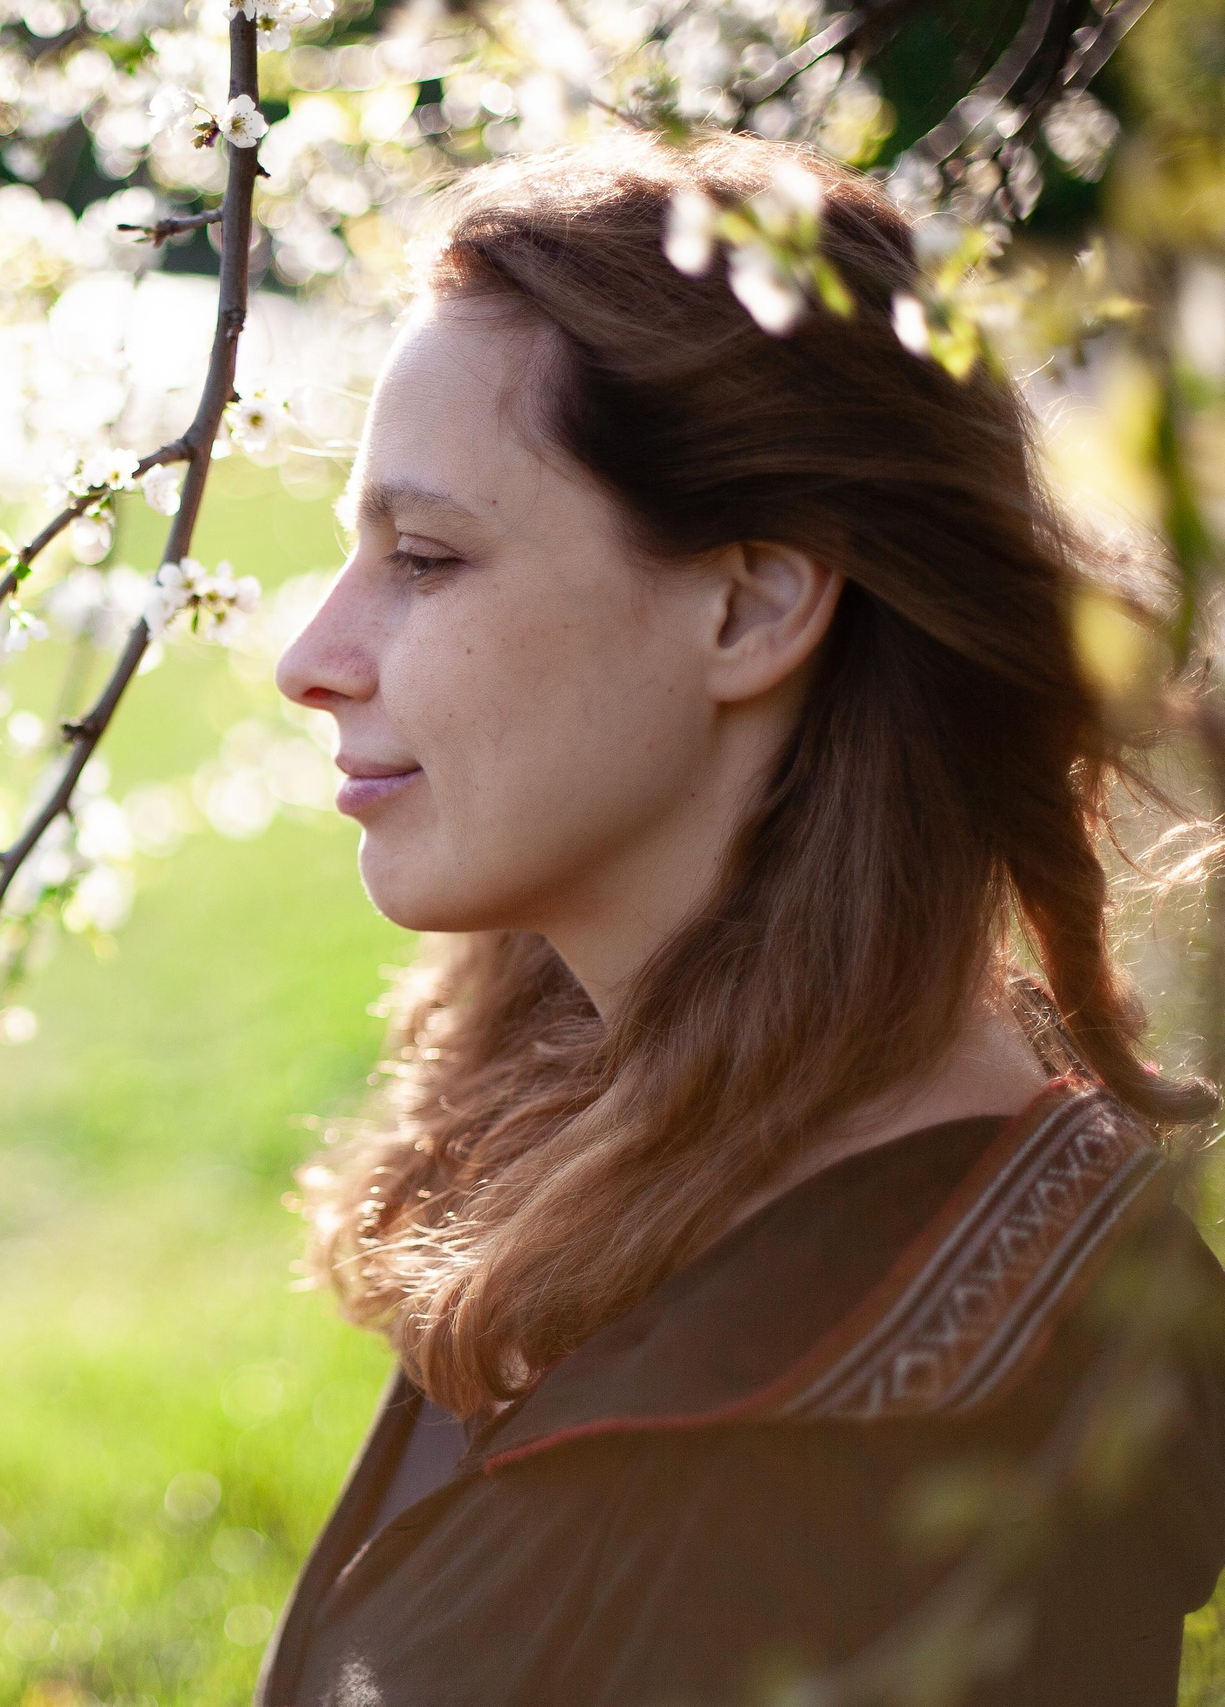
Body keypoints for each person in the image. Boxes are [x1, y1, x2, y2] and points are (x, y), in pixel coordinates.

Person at [261, 130, 1225, 1706]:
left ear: (753, 603)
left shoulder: (855, 1451)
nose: (312, 652)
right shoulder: (603, 1109)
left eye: (426, 558)